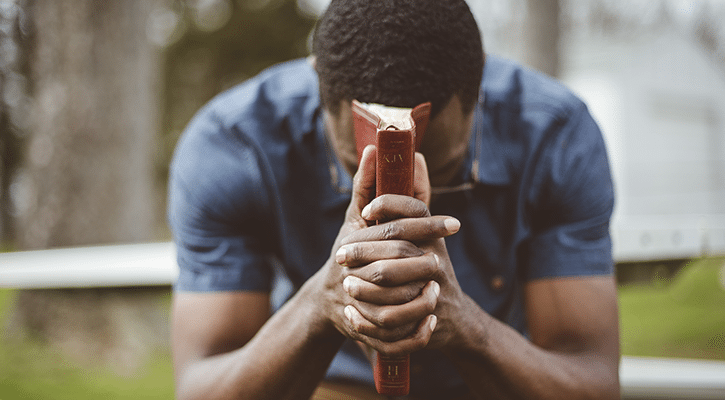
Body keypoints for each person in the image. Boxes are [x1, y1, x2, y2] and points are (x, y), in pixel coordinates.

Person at [167, 0, 620, 399]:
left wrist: (467, 328)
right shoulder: (234, 145)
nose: (399, 210)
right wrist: (320, 307)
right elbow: (203, 386)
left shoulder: (555, 137)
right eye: (356, 169)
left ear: (477, 87)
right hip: (328, 383)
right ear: (318, 81)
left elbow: (590, 381)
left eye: (438, 172)